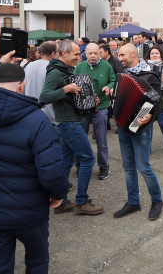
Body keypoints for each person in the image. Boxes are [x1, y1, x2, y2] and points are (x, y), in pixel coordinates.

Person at [0, 54, 69, 274]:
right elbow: (51, 169)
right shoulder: (37, 119)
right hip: (29, 211)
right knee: (37, 260)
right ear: (22, 87)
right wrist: (58, 194)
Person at [40, 40, 104, 215]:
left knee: (66, 162)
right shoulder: (55, 72)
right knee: (89, 159)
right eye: (76, 54)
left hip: (68, 120)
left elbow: (69, 98)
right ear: (64, 53)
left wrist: (90, 100)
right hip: (68, 123)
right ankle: (81, 202)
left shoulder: (65, 70)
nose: (80, 56)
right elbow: (44, 96)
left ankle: (61, 202)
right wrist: (66, 89)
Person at [113, 44, 163, 220]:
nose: (119, 58)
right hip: (123, 126)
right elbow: (119, 96)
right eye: (118, 55)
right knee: (128, 167)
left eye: (122, 55)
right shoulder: (123, 74)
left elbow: (158, 103)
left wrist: (150, 116)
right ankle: (133, 202)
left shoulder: (150, 75)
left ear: (133, 54)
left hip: (140, 128)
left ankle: (157, 200)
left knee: (143, 167)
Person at [74, 43, 115, 180]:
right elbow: (73, 83)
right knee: (80, 137)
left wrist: (108, 87)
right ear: (85, 53)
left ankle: (103, 166)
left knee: (101, 138)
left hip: (101, 106)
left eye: (95, 53)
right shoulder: (79, 67)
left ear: (100, 53)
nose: (92, 55)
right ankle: (80, 165)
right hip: (84, 108)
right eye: (89, 53)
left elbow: (113, 81)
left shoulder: (106, 66)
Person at [24, 41, 58, 125]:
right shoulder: (53, 68)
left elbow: (22, 88)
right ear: (53, 54)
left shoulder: (29, 66)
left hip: (30, 113)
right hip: (50, 116)